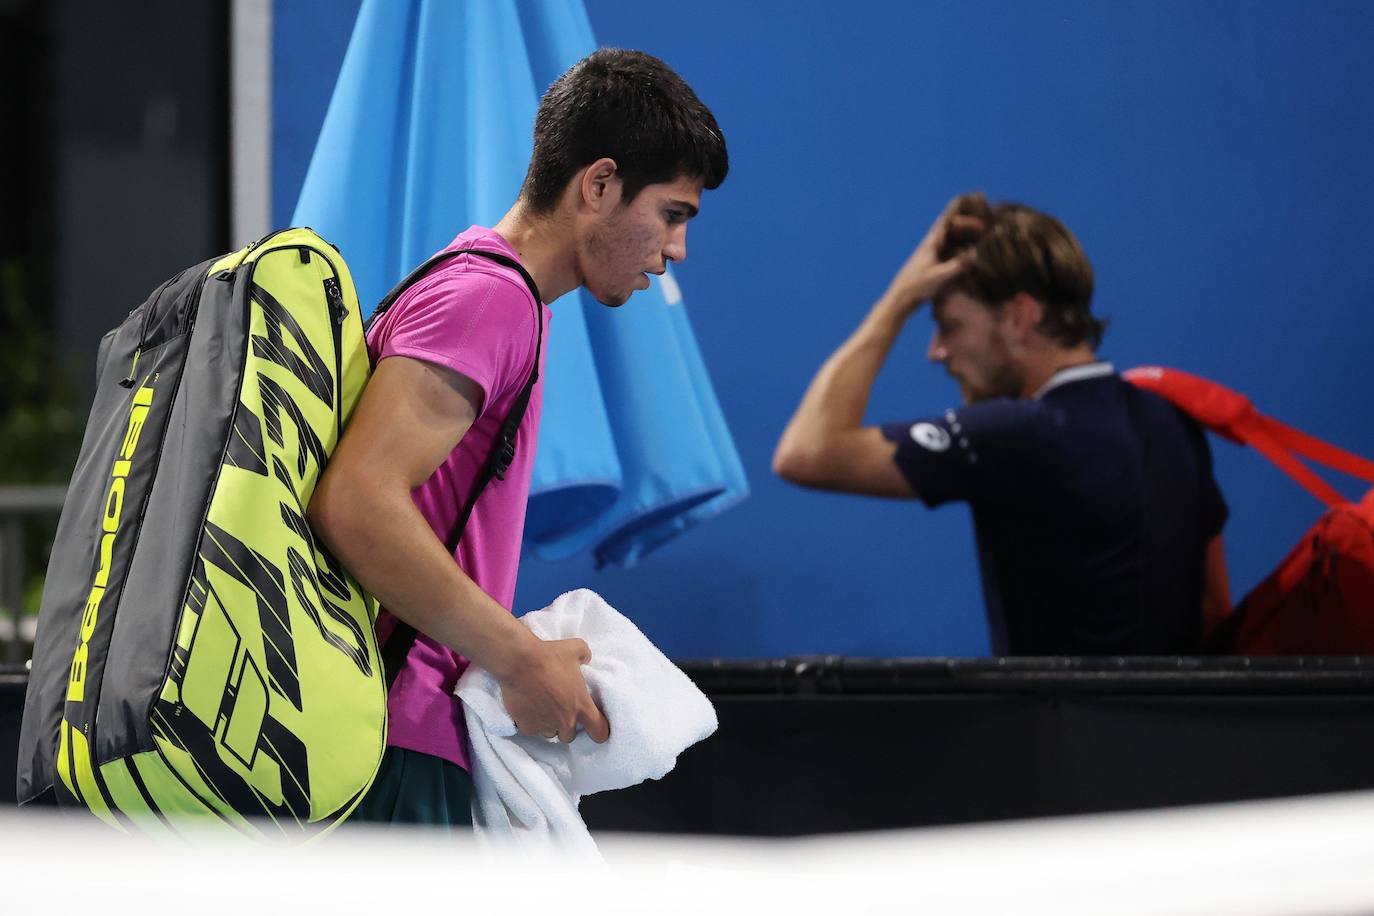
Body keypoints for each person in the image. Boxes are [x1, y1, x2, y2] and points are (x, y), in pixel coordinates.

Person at [308, 49, 728, 827]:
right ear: (599, 185)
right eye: (672, 214)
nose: (676, 251)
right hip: (388, 747)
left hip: (390, 737)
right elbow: (355, 501)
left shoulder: (487, 291)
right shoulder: (489, 298)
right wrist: (520, 658)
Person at [773, 193, 1229, 656]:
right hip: (1180, 706)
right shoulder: (1172, 419)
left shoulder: (1020, 432)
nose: (936, 352)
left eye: (950, 325)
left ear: (1018, 317)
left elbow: (806, 451)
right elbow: (1213, 610)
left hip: (1052, 708)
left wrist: (899, 299)